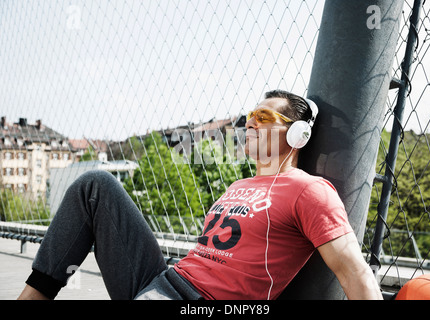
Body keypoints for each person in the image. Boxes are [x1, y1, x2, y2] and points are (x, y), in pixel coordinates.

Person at [18, 90, 382, 300]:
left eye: (263, 117)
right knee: (95, 186)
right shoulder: (238, 186)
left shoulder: (309, 191)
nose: (249, 124)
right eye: (249, 117)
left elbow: (355, 273)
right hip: (164, 279)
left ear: (298, 135)